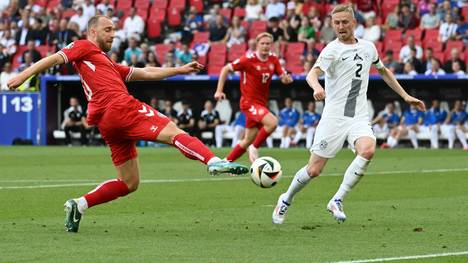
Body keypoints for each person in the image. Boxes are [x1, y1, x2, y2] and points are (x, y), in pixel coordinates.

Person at [7, 15, 248, 233]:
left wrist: (180, 69)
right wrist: (23, 75)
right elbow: (54, 58)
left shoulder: (106, 62)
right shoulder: (83, 46)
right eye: (108, 30)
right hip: (120, 107)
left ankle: (79, 205)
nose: (113, 34)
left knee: (129, 183)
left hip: (107, 122)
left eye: (114, 30)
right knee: (173, 131)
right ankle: (214, 161)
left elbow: (146, 72)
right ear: (92, 32)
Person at [271, 4, 426, 224]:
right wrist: (316, 87)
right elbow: (311, 74)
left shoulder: (368, 47)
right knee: (314, 170)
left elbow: (383, 70)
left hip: (359, 116)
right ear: (332, 25)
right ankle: (286, 198)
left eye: (345, 22)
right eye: (337, 23)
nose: (341, 26)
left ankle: (337, 199)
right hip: (334, 117)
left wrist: (405, 96)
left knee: (368, 149)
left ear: (354, 22)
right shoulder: (331, 50)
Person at [214, 32, 293, 163]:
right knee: (272, 123)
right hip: (248, 103)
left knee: (247, 140)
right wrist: (218, 91)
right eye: (262, 43)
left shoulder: (273, 59)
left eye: (268, 44)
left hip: (261, 104)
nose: (265, 46)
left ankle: (225, 163)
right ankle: (255, 147)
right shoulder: (248, 59)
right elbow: (225, 69)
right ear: (257, 45)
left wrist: (286, 79)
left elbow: (282, 76)